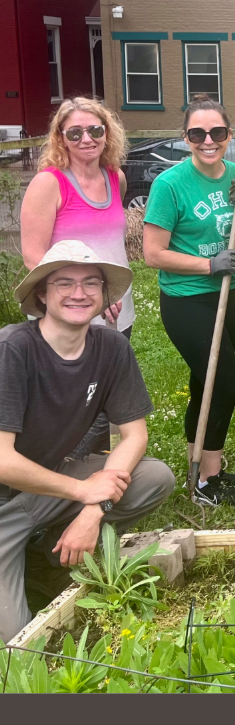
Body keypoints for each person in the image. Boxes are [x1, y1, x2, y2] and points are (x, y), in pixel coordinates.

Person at [0, 241, 175, 643]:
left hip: (43, 489)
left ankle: (49, 559)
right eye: (64, 283)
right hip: (5, 501)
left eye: (90, 283)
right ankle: (26, 556)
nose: (78, 293)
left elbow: (135, 436)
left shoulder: (111, 348)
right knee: (20, 643)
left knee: (153, 477)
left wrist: (92, 509)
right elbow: (2, 460)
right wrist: (82, 489)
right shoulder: (13, 350)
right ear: (42, 294)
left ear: (102, 294)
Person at [142, 95, 235, 507]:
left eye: (217, 133)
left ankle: (200, 465)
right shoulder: (170, 185)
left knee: (203, 383)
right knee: (227, 384)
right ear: (185, 137)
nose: (208, 140)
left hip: (225, 297)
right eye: (198, 133)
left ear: (229, 136)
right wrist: (209, 265)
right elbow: (153, 254)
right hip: (186, 300)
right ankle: (208, 482)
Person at [20, 97, 133, 333]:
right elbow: (33, 258)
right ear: (61, 139)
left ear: (106, 133)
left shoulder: (116, 178)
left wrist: (108, 293)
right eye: (74, 133)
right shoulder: (48, 183)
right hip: (66, 311)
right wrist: (84, 294)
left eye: (94, 130)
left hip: (116, 308)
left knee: (112, 369)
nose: (86, 139)